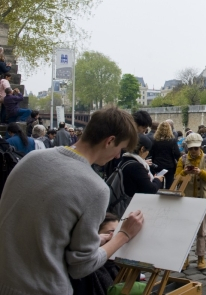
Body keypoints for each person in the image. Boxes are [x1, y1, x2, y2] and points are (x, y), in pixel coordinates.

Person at [0, 107, 143, 295]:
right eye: (120, 149)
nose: (117, 156)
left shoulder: (31, 158)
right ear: (110, 141)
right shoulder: (95, 187)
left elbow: (41, 227)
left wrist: (96, 240)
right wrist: (123, 235)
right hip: (43, 288)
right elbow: (82, 266)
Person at [175, 133, 206, 270]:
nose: (193, 151)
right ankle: (185, 257)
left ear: (200, 147)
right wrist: (185, 172)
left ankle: (201, 258)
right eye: (191, 148)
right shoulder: (182, 160)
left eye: (196, 148)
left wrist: (200, 172)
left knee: (202, 231)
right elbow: (176, 178)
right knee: (185, 230)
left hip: (202, 199)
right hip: (185, 200)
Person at [70, 213, 122, 295]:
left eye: (118, 233)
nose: (115, 237)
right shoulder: (85, 267)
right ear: (96, 235)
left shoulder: (117, 265)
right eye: (111, 232)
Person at [121, 134, 164, 200]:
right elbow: (150, 190)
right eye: (147, 150)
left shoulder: (125, 159)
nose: (148, 153)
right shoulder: (136, 167)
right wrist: (157, 180)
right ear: (142, 149)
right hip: (132, 203)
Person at [151, 121, 181, 188]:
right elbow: (177, 153)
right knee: (169, 186)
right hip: (169, 165)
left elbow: (152, 153)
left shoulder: (154, 140)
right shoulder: (172, 140)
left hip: (157, 165)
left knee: (158, 184)